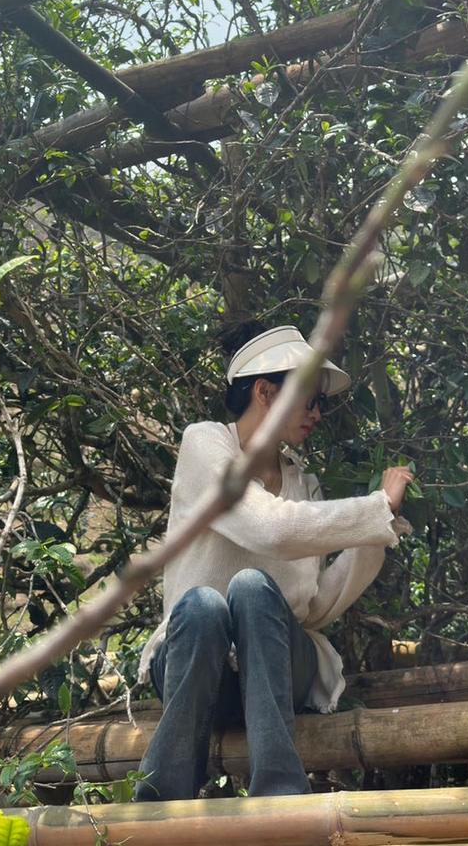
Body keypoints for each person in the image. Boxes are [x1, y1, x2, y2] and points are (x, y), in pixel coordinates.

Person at [133, 322, 412, 802]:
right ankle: (159, 805)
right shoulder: (206, 445)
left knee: (251, 589)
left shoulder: (303, 483)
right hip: (201, 675)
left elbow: (317, 607)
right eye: (310, 400)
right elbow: (272, 529)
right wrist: (374, 509)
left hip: (278, 678)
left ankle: (279, 796)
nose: (318, 414)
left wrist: (375, 534)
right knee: (204, 604)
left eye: (322, 403)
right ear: (264, 391)